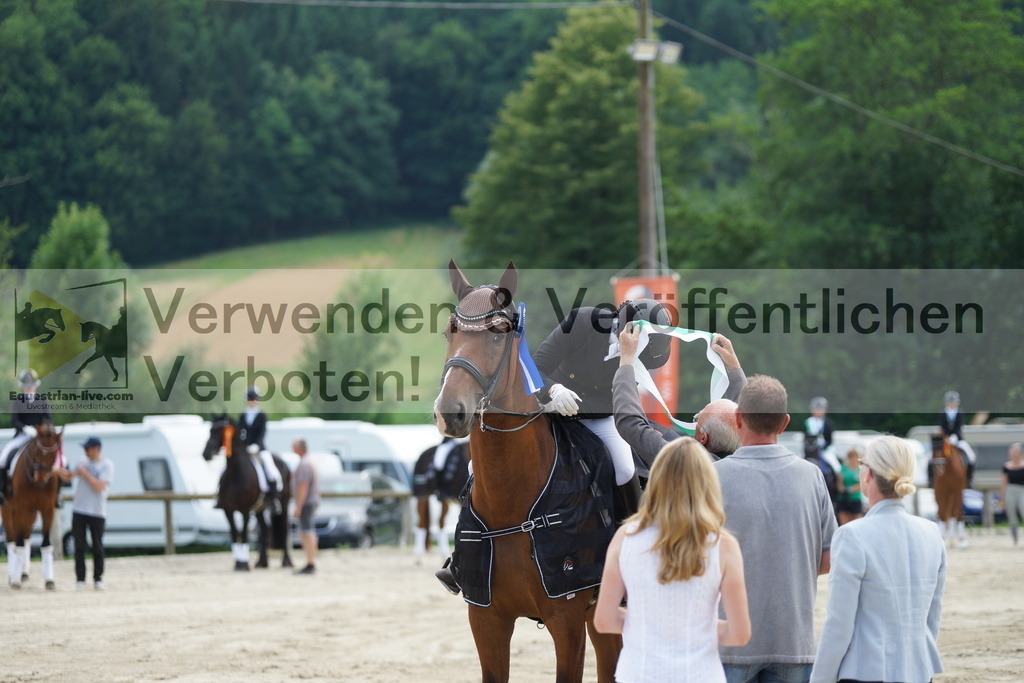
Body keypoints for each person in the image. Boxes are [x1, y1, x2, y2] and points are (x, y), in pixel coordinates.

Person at [595, 437, 750, 681]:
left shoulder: (625, 536)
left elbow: (604, 621)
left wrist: (650, 621)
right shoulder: (724, 545)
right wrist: (694, 627)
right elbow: (739, 635)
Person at [714, 375, 837, 683]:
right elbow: (828, 559)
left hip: (729, 643)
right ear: (784, 423)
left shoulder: (713, 475)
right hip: (794, 641)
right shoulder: (812, 476)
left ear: (738, 419)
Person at [810, 436, 946, 683]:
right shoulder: (932, 533)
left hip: (866, 670)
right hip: (918, 671)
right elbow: (932, 618)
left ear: (868, 474)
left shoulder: (851, 535)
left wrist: (820, 679)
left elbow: (839, 625)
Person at [534, 299, 673, 511]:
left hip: (596, 414)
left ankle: (629, 526)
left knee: (626, 469)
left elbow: (613, 400)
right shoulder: (581, 321)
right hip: (548, 404)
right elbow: (536, 367)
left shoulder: (641, 355)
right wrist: (553, 391)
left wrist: (575, 408)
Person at [612, 327, 746, 467]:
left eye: (696, 419)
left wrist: (626, 360)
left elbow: (631, 426)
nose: (694, 421)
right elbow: (748, 418)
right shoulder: (749, 457)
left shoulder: (686, 462)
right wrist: (733, 366)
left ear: (703, 438)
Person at [0, 369, 56, 504]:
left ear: (36, 385)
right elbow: (14, 421)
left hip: (39, 437)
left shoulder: (42, 400)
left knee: (62, 460)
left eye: (31, 385)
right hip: (22, 435)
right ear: (22, 386)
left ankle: (58, 493)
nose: (29, 387)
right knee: (2, 458)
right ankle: (2, 491)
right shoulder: (17, 401)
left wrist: (41, 430)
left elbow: (49, 420)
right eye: (26, 385)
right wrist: (25, 429)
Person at [72, 437, 114, 590]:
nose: (85, 451)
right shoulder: (81, 461)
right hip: (79, 510)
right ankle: (80, 580)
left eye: (88, 448)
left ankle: (98, 578)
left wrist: (85, 473)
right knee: (79, 546)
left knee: (97, 546)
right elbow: (70, 476)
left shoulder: (107, 465)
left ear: (96, 448)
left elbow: (99, 487)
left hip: (97, 511)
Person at [238, 386, 282, 496]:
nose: (252, 401)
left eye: (254, 399)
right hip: (245, 448)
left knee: (271, 470)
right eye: (250, 399)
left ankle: (274, 496)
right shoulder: (243, 415)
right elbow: (239, 431)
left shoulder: (262, 415)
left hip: (259, 448)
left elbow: (262, 433)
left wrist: (256, 445)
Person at [291, 438, 319, 575]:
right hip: (309, 502)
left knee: (306, 532)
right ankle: (310, 561)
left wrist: (298, 506)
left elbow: (303, 486)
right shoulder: (308, 461)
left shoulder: (304, 464)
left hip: (306, 502)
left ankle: (310, 562)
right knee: (306, 532)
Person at [939, 390, 976, 468]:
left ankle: (970, 478)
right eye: (950, 402)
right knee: (930, 457)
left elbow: (958, 427)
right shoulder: (943, 413)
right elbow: (942, 427)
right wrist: (945, 437)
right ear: (946, 403)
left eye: (953, 402)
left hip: (958, 439)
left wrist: (954, 436)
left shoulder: (960, 412)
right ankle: (930, 478)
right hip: (945, 440)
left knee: (971, 456)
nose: (952, 404)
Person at [1000, 442, 1024, 546]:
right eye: (1013, 452)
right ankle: (1015, 540)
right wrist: (1001, 497)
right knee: (1012, 516)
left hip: (1022, 490)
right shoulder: (1006, 466)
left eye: (1016, 452)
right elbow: (1004, 482)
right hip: (1010, 491)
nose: (1014, 454)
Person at [835, 447, 864, 526]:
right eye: (850, 455)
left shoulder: (860, 469)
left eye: (854, 455)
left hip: (855, 499)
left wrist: (850, 489)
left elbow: (862, 484)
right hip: (844, 498)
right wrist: (842, 489)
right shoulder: (844, 468)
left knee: (857, 524)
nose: (852, 457)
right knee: (844, 524)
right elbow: (839, 482)